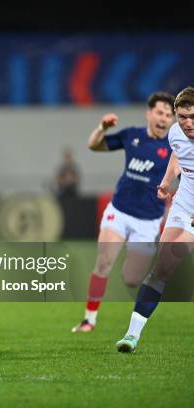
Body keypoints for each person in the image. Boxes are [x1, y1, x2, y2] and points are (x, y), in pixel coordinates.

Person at [72, 91, 175, 333]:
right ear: (149, 113)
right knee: (104, 262)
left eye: (168, 115)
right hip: (119, 211)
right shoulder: (132, 136)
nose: (163, 119)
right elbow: (94, 145)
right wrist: (102, 127)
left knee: (131, 278)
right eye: (160, 112)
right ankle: (89, 319)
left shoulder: (175, 147)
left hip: (148, 220)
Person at [116, 87, 194, 352]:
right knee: (163, 267)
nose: (188, 123)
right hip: (184, 205)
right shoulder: (175, 133)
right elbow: (177, 154)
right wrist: (166, 181)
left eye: (193, 117)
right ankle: (132, 335)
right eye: (182, 117)